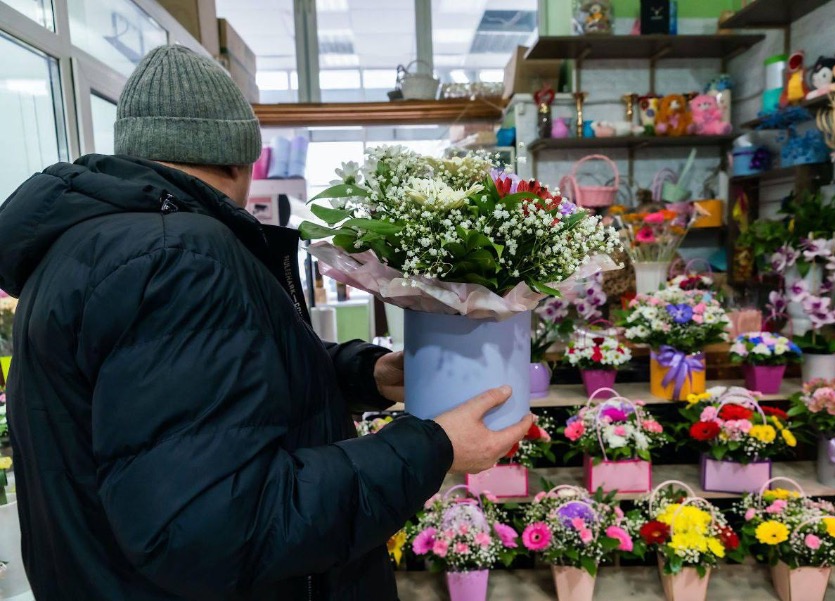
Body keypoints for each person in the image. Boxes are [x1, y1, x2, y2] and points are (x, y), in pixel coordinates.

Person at [0, 45, 532, 600]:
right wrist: (432, 448)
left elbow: (205, 387)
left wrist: (363, 373)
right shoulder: (180, 256)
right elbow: (218, 525)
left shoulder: (85, 247)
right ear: (237, 159)